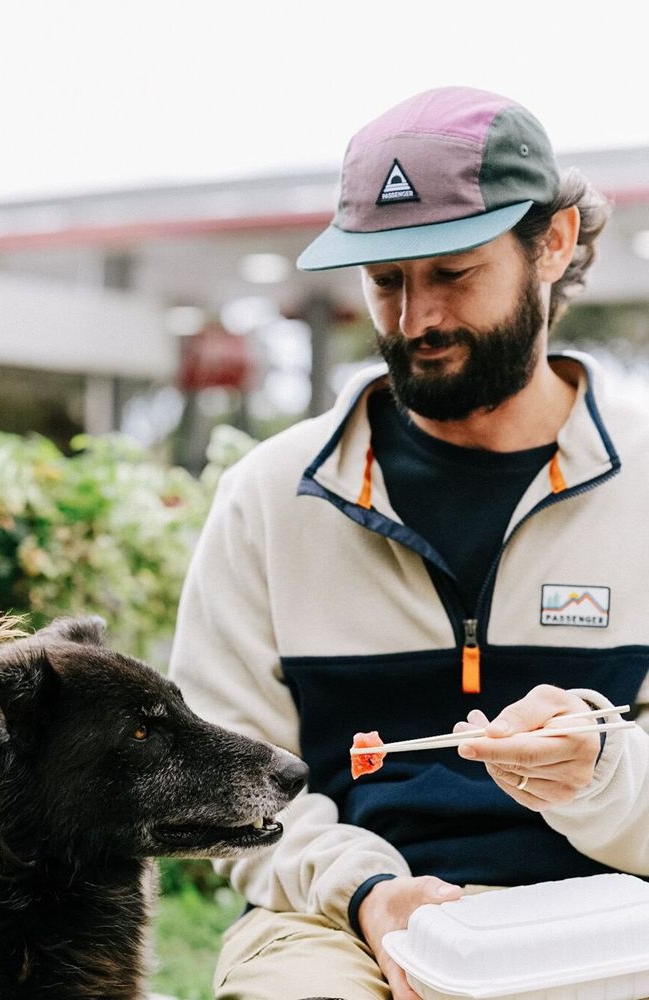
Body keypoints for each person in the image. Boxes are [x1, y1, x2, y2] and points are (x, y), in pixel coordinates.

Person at [168, 86, 649, 1000]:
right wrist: (373, 897)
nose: (415, 320)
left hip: (607, 911)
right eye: (386, 282)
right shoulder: (269, 499)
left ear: (551, 244)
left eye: (453, 273)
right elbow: (218, 788)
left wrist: (599, 770)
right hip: (332, 926)